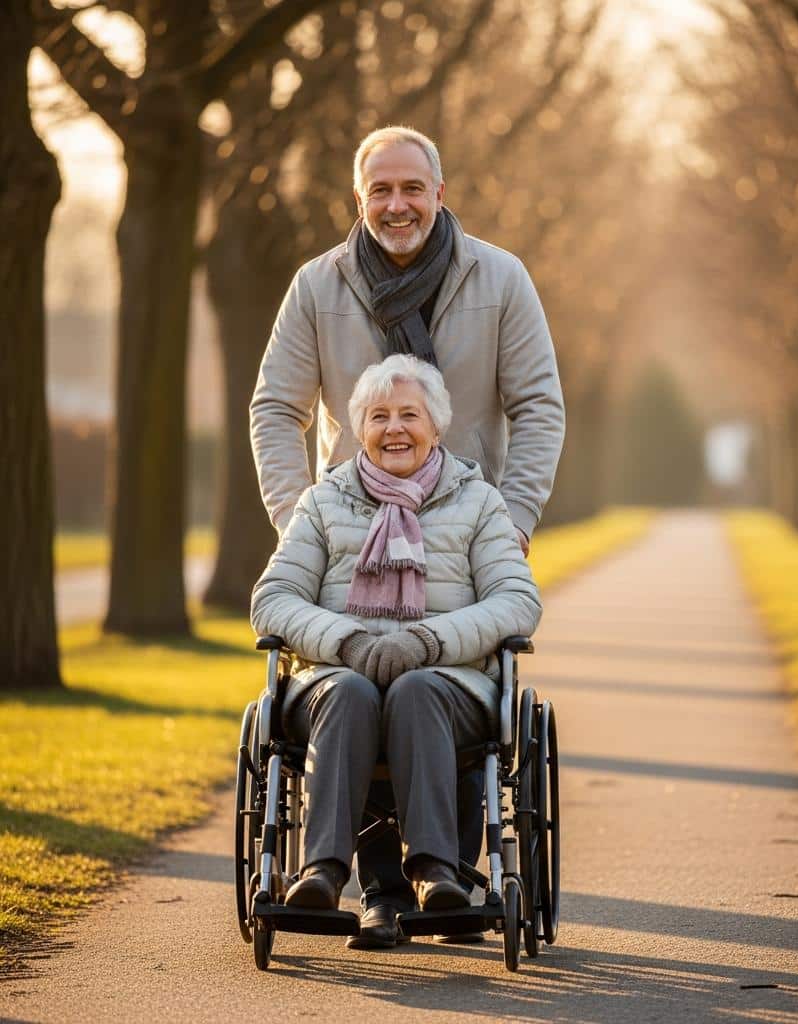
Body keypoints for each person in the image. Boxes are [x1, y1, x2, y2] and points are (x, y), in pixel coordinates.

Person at [250, 125, 564, 946]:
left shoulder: (500, 279)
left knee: (428, 686)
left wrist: (514, 519)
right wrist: (307, 526)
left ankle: (435, 876)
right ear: (360, 200)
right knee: (355, 688)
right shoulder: (317, 286)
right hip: (348, 528)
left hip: (463, 522)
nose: (397, 205)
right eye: (380, 191)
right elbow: (276, 410)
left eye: (412, 189)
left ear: (439, 193)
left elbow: (538, 406)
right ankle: (375, 886)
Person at [250, 356, 542, 922]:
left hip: (449, 683)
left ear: (436, 426)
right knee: (351, 692)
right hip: (337, 679)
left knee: (415, 690)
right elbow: (273, 598)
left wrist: (427, 643)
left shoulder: (479, 503)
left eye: (410, 414)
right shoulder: (322, 502)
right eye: (379, 416)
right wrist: (350, 643)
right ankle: (321, 873)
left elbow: (518, 600)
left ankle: (436, 871)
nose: (395, 429)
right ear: (360, 429)